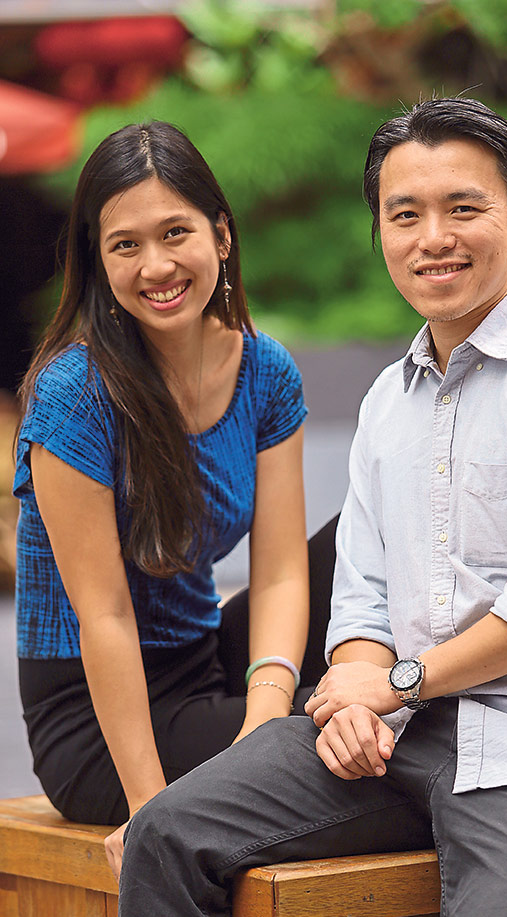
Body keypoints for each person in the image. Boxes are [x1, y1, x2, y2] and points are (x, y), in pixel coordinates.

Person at [117, 98, 507, 917]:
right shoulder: (389, 400)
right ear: (381, 233)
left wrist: (390, 684)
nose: (434, 238)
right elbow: (363, 594)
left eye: (465, 209)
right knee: (163, 835)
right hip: (398, 735)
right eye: (406, 214)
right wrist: (353, 698)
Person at [13, 121, 336, 863]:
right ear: (97, 261)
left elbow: (282, 570)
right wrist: (150, 810)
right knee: (328, 748)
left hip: (207, 661)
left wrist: (263, 711)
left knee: (357, 543)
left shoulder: (263, 370)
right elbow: (105, 617)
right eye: (125, 244)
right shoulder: (75, 395)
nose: (154, 265)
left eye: (174, 233)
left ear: (220, 236)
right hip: (97, 720)